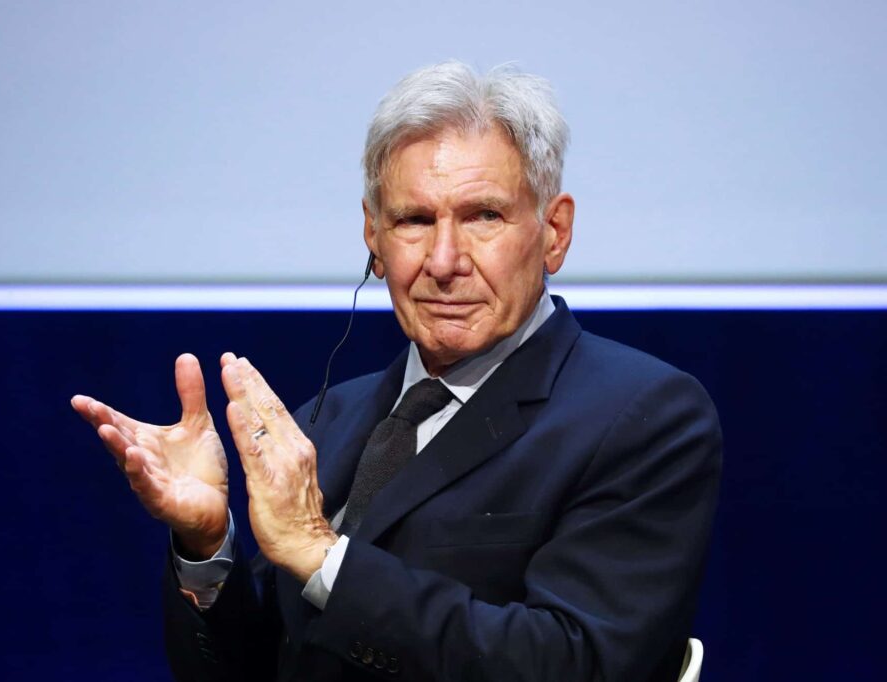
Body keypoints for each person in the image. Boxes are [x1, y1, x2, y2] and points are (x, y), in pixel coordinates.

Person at [72, 61, 722, 682]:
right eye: (414, 220)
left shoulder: (644, 417)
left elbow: (575, 666)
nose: (443, 261)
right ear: (373, 238)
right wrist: (207, 543)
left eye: (483, 216)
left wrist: (323, 557)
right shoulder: (327, 420)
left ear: (554, 231)